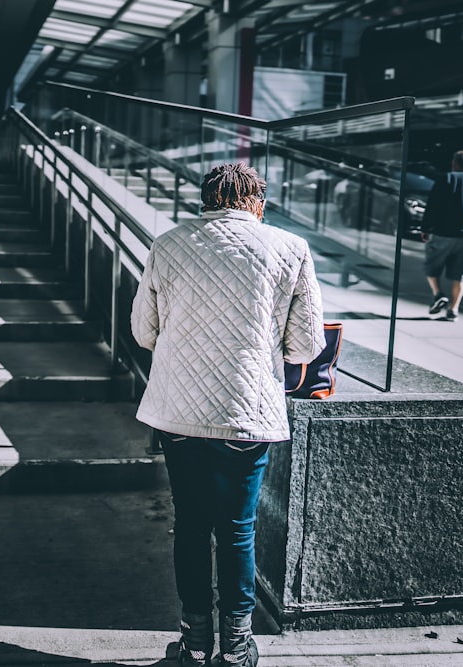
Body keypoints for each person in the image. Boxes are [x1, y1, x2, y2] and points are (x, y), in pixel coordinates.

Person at [130, 162, 325, 667]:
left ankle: (194, 643)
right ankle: (237, 648)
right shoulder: (290, 248)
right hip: (246, 409)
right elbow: (305, 344)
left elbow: (144, 333)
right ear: (257, 202)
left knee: (191, 524)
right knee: (237, 528)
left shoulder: (168, 245)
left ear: (205, 200)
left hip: (180, 414)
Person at [419, 149, 463, 322]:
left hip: (443, 232)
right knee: (461, 274)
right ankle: (453, 310)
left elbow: (433, 205)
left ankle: (438, 295)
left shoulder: (445, 179)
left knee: (431, 266)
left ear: (454, 163)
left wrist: (426, 228)